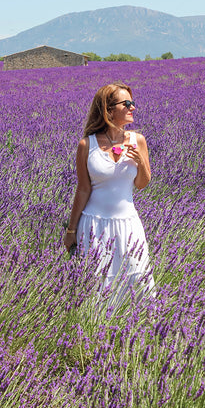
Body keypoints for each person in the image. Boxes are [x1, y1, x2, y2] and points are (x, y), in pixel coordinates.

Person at [64, 82, 154, 303]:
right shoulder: (86, 145)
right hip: (94, 226)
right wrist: (71, 229)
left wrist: (140, 161)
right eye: (127, 103)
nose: (133, 107)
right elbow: (83, 189)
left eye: (132, 103)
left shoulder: (138, 140)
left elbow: (142, 183)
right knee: (96, 287)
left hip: (129, 226)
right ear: (108, 109)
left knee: (137, 281)